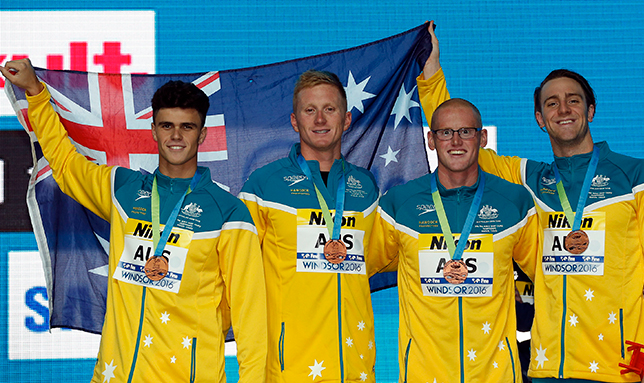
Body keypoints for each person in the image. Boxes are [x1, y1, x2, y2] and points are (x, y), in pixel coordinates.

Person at [417, 22, 644, 383]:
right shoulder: (533, 180)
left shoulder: (637, 176)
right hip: (547, 367)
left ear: (591, 110)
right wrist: (431, 77)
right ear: (540, 119)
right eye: (551, 103)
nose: (563, 108)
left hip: (621, 368)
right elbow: (461, 142)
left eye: (573, 100)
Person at [0, 59, 267, 382]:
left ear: (203, 133)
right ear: (153, 130)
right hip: (114, 375)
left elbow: (251, 317)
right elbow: (66, 164)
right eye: (167, 125)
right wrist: (35, 92)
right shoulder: (123, 190)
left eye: (187, 126)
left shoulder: (228, 213)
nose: (176, 136)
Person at [368, 98, 540, 382]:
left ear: (482, 137)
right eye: (445, 132)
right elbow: (354, 268)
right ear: (431, 140)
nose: (456, 140)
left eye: (466, 131)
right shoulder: (400, 204)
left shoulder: (515, 202)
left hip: (495, 374)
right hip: (424, 374)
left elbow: (553, 277)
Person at [238, 70, 380, 382]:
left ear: (345, 120)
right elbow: (237, 271)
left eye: (329, 109)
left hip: (356, 367)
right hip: (290, 368)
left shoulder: (366, 187)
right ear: (294, 121)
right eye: (309, 110)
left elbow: (379, 258)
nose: (319, 120)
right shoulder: (263, 186)